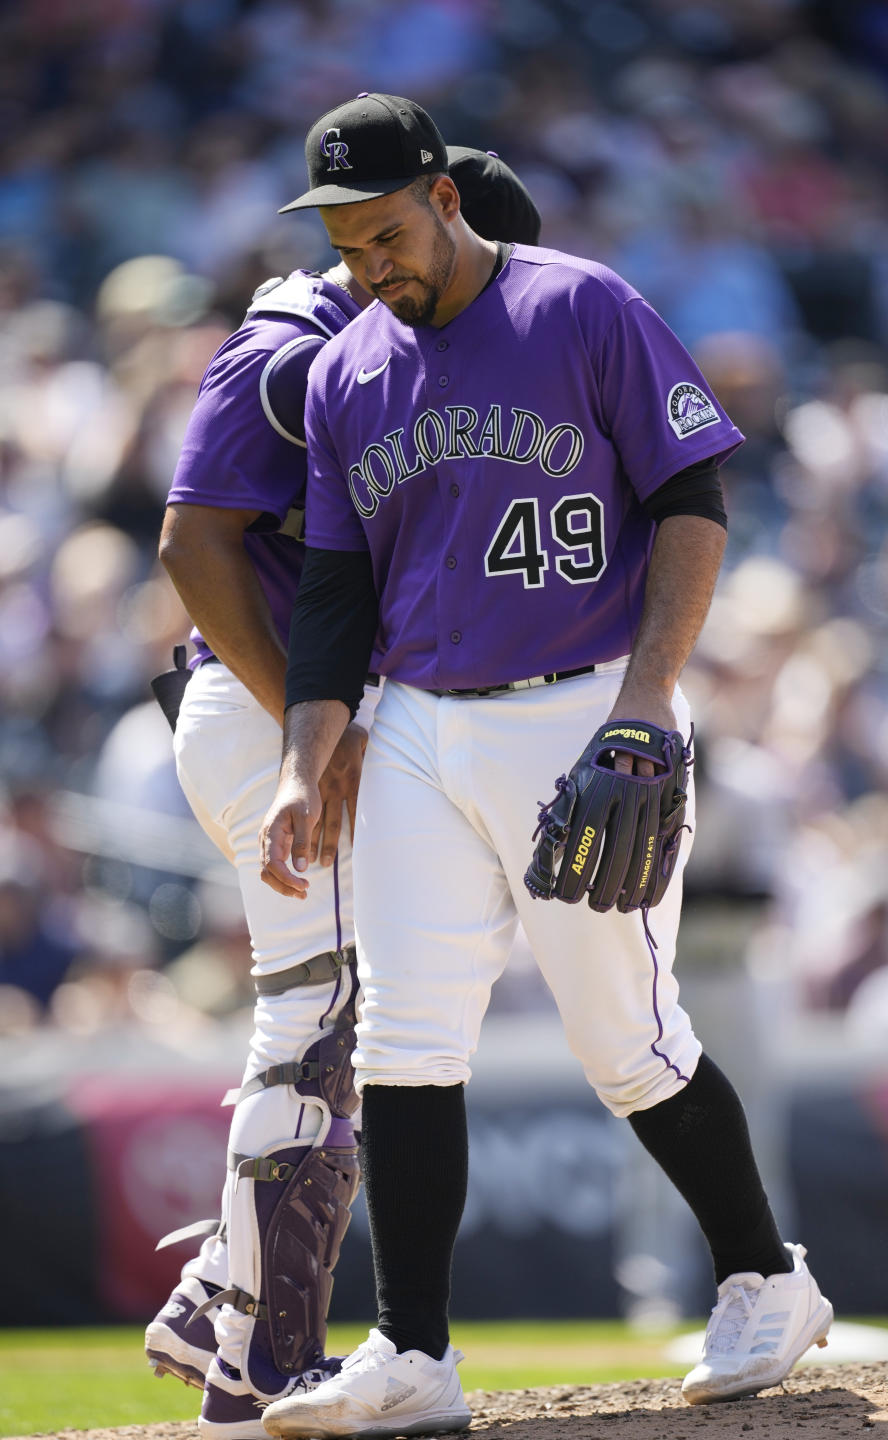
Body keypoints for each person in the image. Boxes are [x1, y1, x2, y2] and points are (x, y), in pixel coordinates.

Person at [258, 92, 833, 1438]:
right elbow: (336, 593)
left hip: (581, 704)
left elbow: (692, 503)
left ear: (445, 198)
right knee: (404, 1032)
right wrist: (305, 759)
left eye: (385, 232)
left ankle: (765, 1275)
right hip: (415, 720)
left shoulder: (582, 308)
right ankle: (412, 1350)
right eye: (344, 245)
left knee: (621, 1036)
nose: (367, 266)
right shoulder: (349, 370)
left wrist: (646, 705)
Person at [147, 135, 542, 1440]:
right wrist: (311, 742)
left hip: (271, 712)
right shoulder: (297, 349)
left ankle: (228, 1297)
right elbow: (191, 544)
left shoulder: (371, 353)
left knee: (339, 1014)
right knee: (316, 1019)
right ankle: (258, 1350)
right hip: (252, 707)